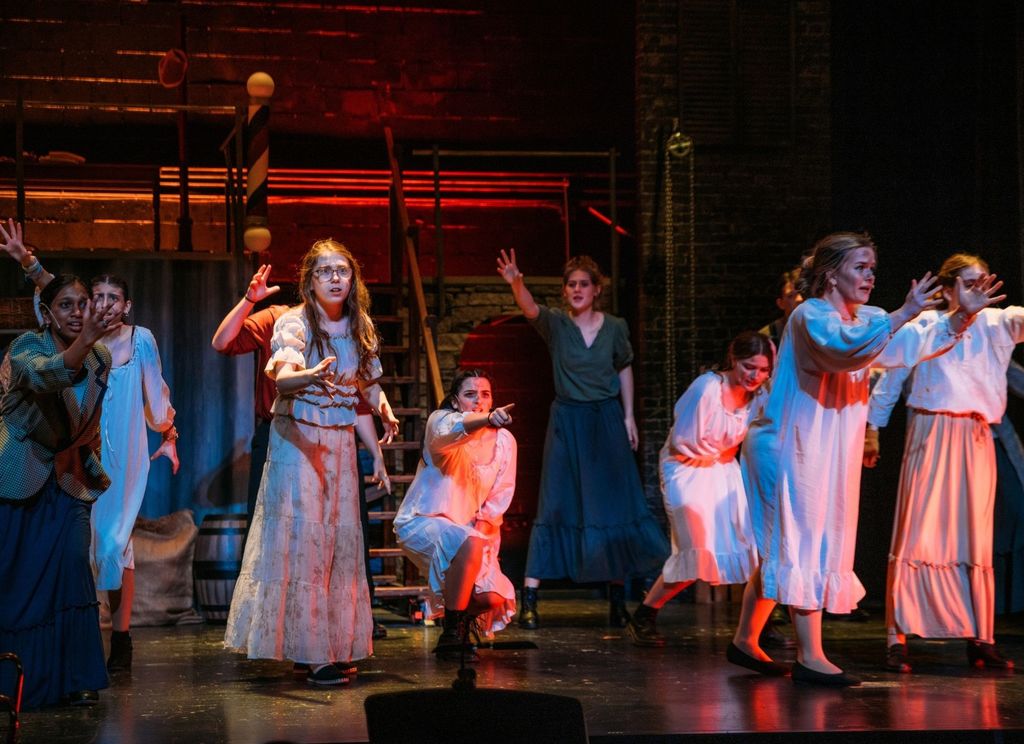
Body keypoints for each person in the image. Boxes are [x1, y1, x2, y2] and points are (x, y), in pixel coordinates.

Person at [731, 232, 1003, 687]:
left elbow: (901, 347)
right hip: (789, 443)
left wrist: (959, 317)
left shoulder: (867, 319)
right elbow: (844, 349)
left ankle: (743, 640)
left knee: (795, 542)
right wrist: (903, 313)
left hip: (824, 444)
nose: (870, 276)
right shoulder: (808, 316)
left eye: (872, 268)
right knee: (801, 542)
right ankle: (811, 655)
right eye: (861, 267)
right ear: (831, 273)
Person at [0, 220, 179, 673]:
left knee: (104, 551)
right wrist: (28, 262)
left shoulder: (123, 346)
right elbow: (55, 317)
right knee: (61, 559)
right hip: (52, 463)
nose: (91, 309)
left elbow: (155, 396)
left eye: (101, 301)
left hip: (105, 461)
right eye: (86, 302)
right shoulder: (49, 347)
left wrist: (169, 434)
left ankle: (106, 648)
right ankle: (54, 653)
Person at [224, 239, 391, 687]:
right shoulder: (294, 323)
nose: (336, 278)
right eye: (325, 272)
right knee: (305, 543)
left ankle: (329, 645)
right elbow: (282, 377)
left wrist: (383, 408)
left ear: (353, 278)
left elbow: (367, 383)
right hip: (297, 440)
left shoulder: (361, 326)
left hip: (337, 443)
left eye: (342, 270)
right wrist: (309, 376)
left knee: (337, 545)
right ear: (309, 281)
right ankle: (310, 652)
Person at [866, 253, 1023, 672]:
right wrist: (872, 429)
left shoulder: (998, 323)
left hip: (975, 435)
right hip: (932, 430)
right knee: (918, 531)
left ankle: (982, 637)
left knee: (975, 536)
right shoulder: (927, 326)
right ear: (950, 289)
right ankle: (897, 637)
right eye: (968, 283)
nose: (977, 291)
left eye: (982, 282)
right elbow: (891, 377)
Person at [497, 249, 669, 628]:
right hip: (568, 420)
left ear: (596, 289)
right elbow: (530, 310)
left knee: (611, 506)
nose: (577, 289)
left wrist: (628, 417)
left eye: (583, 284)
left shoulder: (616, 327)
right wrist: (516, 282)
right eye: (571, 284)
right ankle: (530, 597)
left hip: (606, 420)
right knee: (556, 500)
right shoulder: (557, 324)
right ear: (565, 291)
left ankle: (615, 598)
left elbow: (623, 368)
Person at [0, 274, 122, 707]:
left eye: (82, 304)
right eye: (66, 305)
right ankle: (17, 683)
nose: (76, 313)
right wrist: (84, 342)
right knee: (21, 582)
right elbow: (50, 376)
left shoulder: (101, 356)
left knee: (73, 572)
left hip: (69, 477)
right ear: (48, 313)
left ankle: (76, 677)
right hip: (21, 476)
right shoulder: (25, 349)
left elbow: (87, 414)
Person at [626, 332, 772, 647]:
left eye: (762, 370)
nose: (754, 376)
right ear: (734, 360)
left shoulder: (759, 396)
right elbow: (683, 440)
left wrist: (725, 457)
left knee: (748, 544)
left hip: (722, 468)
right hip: (686, 468)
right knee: (695, 551)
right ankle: (645, 614)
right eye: (749, 367)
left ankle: (760, 622)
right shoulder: (707, 388)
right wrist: (721, 452)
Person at [394, 369, 517, 661]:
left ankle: (457, 619)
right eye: (470, 394)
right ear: (455, 400)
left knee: (495, 596)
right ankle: (451, 633)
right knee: (467, 542)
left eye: (485, 394)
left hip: (470, 532)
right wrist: (485, 419)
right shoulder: (441, 422)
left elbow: (500, 495)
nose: (479, 400)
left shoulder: (504, 441)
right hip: (423, 520)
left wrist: (484, 534)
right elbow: (455, 428)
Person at [758, 268, 802, 348]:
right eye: (790, 296)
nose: (799, 299)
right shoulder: (767, 337)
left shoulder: (823, 329)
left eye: (802, 293)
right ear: (780, 303)